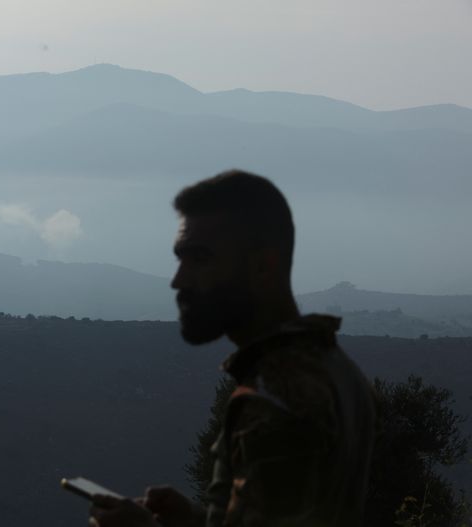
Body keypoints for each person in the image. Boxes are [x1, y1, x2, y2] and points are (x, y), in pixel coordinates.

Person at [89, 170, 378, 527]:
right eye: (181, 258)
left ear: (262, 267)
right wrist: (196, 519)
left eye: (201, 259)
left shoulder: (274, 401)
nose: (179, 281)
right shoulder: (333, 365)